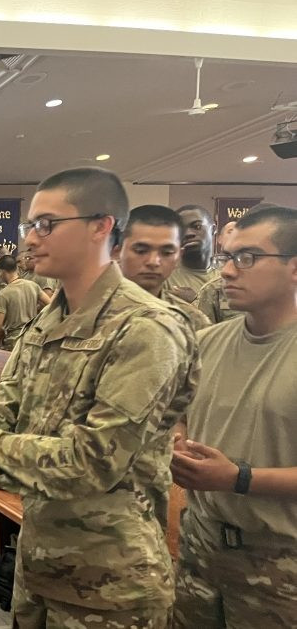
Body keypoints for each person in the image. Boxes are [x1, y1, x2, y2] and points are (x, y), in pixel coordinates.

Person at [0, 167, 198, 627]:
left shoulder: (146, 329)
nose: (31, 239)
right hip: (38, 563)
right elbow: (4, 411)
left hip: (110, 583)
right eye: (29, 226)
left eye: (47, 225)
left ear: (101, 226)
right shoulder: (48, 322)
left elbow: (92, 463)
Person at [171, 206, 297, 628]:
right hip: (200, 545)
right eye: (226, 258)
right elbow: (181, 415)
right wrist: (177, 438)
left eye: (247, 258)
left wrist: (238, 478)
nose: (226, 271)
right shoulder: (206, 342)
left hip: (280, 562)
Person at [116, 205, 211, 332]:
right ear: (118, 252)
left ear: (178, 256)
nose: (153, 262)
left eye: (166, 253)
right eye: (141, 251)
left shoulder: (192, 320)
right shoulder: (91, 308)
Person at [0, 255, 48, 349]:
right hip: (31, 339)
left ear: (2, 271)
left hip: (13, 342)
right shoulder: (33, 286)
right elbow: (50, 304)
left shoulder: (3, 294)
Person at [165, 204, 219, 302]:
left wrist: (196, 301)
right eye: (181, 230)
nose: (188, 234)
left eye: (197, 226)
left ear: (213, 229)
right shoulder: (165, 276)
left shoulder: (227, 275)